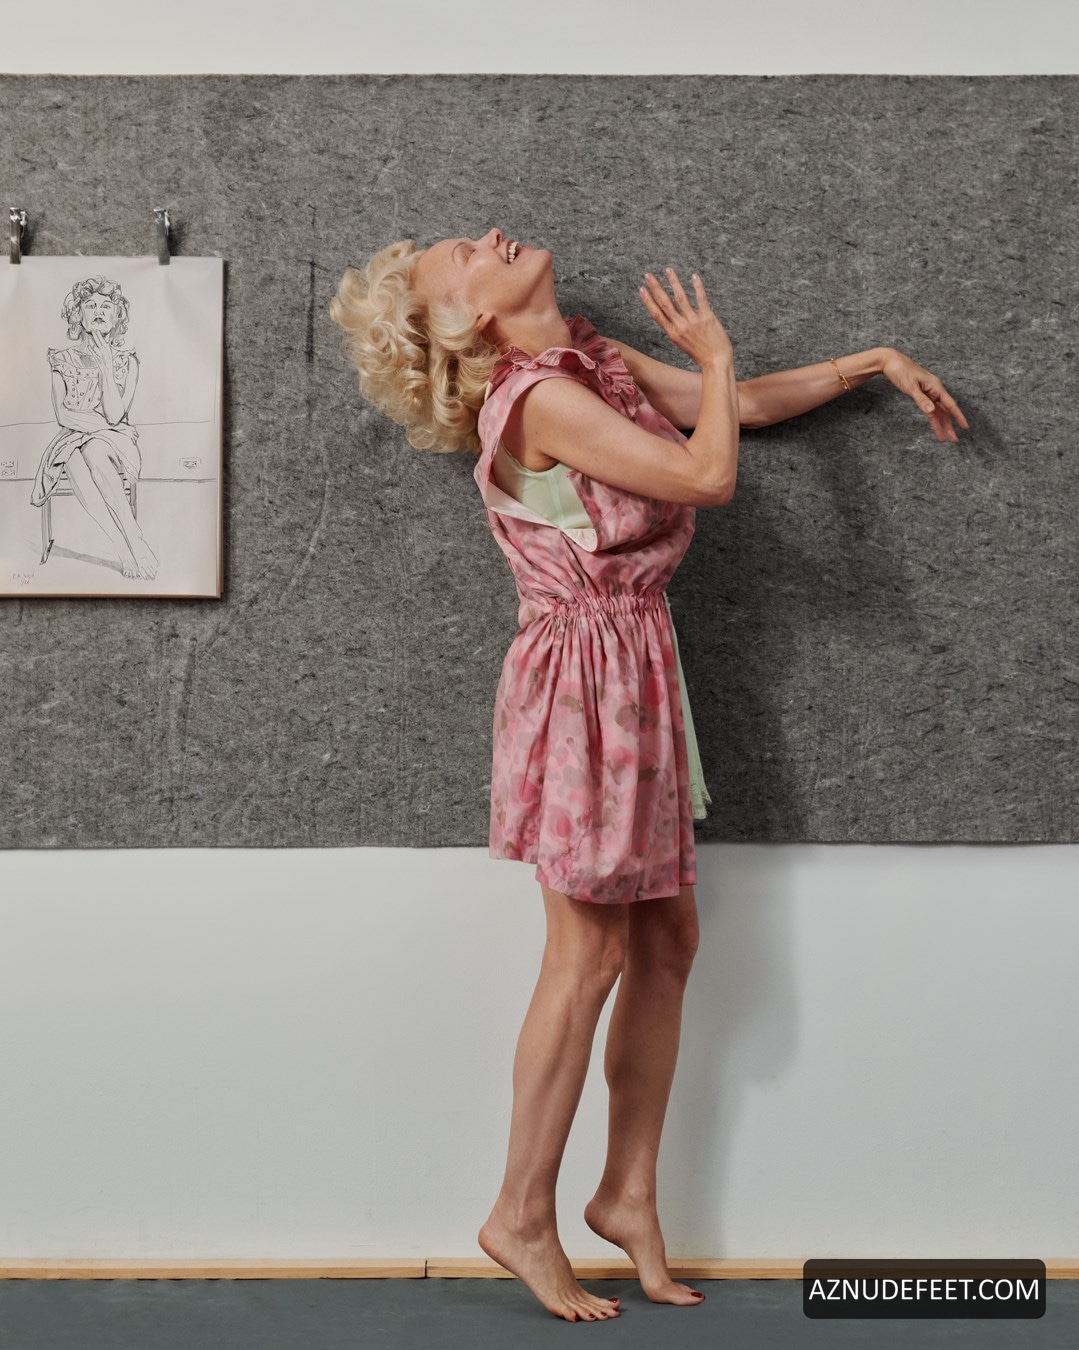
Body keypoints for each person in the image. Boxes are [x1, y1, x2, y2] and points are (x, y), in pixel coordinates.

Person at [328, 230, 968, 1323]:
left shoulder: (588, 359)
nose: (487, 238)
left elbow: (740, 409)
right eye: (462, 255)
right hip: (582, 685)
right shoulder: (540, 398)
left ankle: (624, 1194)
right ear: (471, 318)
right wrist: (712, 357)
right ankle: (517, 1214)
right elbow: (706, 473)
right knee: (584, 956)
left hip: (633, 667)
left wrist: (867, 362)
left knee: (665, 940)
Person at [32, 276, 157, 580]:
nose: (98, 311)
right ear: (78, 315)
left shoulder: (128, 361)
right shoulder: (61, 359)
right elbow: (63, 415)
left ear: (117, 316)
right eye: (90, 305)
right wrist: (99, 427)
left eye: (106, 306)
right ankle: (125, 546)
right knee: (78, 454)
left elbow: (115, 416)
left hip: (117, 442)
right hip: (73, 438)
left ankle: (134, 541)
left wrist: (104, 364)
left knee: (95, 448)